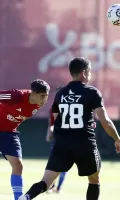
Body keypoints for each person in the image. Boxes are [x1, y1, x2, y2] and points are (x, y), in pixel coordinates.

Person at [19, 57, 120, 200]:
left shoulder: (61, 93)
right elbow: (106, 121)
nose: (90, 75)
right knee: (94, 180)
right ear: (84, 73)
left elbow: (54, 116)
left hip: (62, 144)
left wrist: (52, 130)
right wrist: (117, 139)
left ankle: (26, 197)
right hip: (85, 144)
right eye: (89, 72)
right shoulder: (92, 92)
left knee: (46, 182)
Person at [46, 108, 66, 194]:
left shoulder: (68, 108)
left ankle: (58, 187)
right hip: (57, 140)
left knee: (63, 166)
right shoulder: (53, 109)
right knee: (55, 164)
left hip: (67, 139)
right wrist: (49, 133)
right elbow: (51, 123)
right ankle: (53, 186)